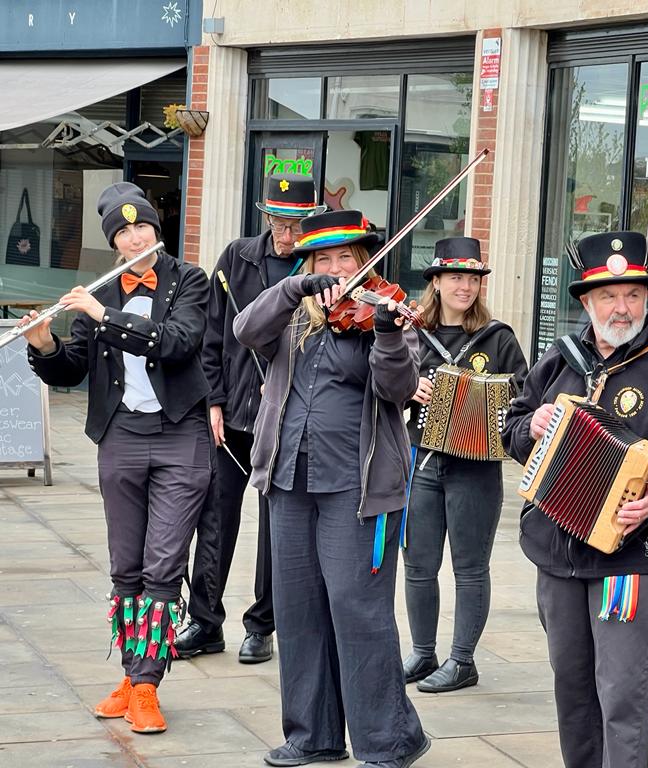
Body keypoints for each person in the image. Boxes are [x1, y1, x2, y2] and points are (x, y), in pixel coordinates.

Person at [502, 229, 648, 768]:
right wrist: (533, 424)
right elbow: (510, 427)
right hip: (555, 553)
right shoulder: (561, 359)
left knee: (623, 691)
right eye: (608, 295)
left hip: (629, 557)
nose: (621, 308)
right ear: (586, 300)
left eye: (632, 295)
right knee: (572, 687)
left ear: (647, 298)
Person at [233, 209, 429, 768]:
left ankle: (390, 739)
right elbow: (244, 329)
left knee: (355, 607)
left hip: (358, 485)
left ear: (365, 259)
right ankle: (312, 735)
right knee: (298, 608)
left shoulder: (387, 315)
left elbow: (398, 388)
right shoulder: (291, 316)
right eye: (325, 259)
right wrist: (293, 288)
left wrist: (388, 331)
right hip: (290, 478)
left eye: (347, 256)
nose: (339, 268)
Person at [21, 182, 211, 734]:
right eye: (123, 232)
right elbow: (72, 369)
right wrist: (44, 344)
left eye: (142, 227)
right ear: (114, 241)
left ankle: (148, 685)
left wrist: (103, 315)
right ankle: (132, 677)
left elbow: (177, 343)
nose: (134, 237)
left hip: (180, 435)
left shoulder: (189, 281)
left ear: (157, 229)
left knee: (163, 564)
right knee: (126, 565)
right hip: (121, 434)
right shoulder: (100, 293)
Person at [178, 174, 326, 665]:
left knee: (275, 528)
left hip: (285, 416)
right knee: (215, 518)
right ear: (265, 217)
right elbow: (213, 337)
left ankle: (262, 624)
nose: (286, 237)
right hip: (234, 413)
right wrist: (213, 401)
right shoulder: (236, 258)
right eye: (279, 225)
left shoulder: (320, 267)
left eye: (296, 227)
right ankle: (205, 619)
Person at [401, 237, 528, 693]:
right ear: (435, 281)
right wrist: (407, 386)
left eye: (473, 278)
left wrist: (493, 397)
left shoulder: (499, 338)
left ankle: (462, 661)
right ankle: (422, 652)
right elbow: (382, 384)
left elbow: (524, 397)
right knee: (418, 563)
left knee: (470, 567)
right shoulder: (412, 334)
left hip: (476, 469)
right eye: (455, 277)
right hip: (421, 461)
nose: (465, 286)